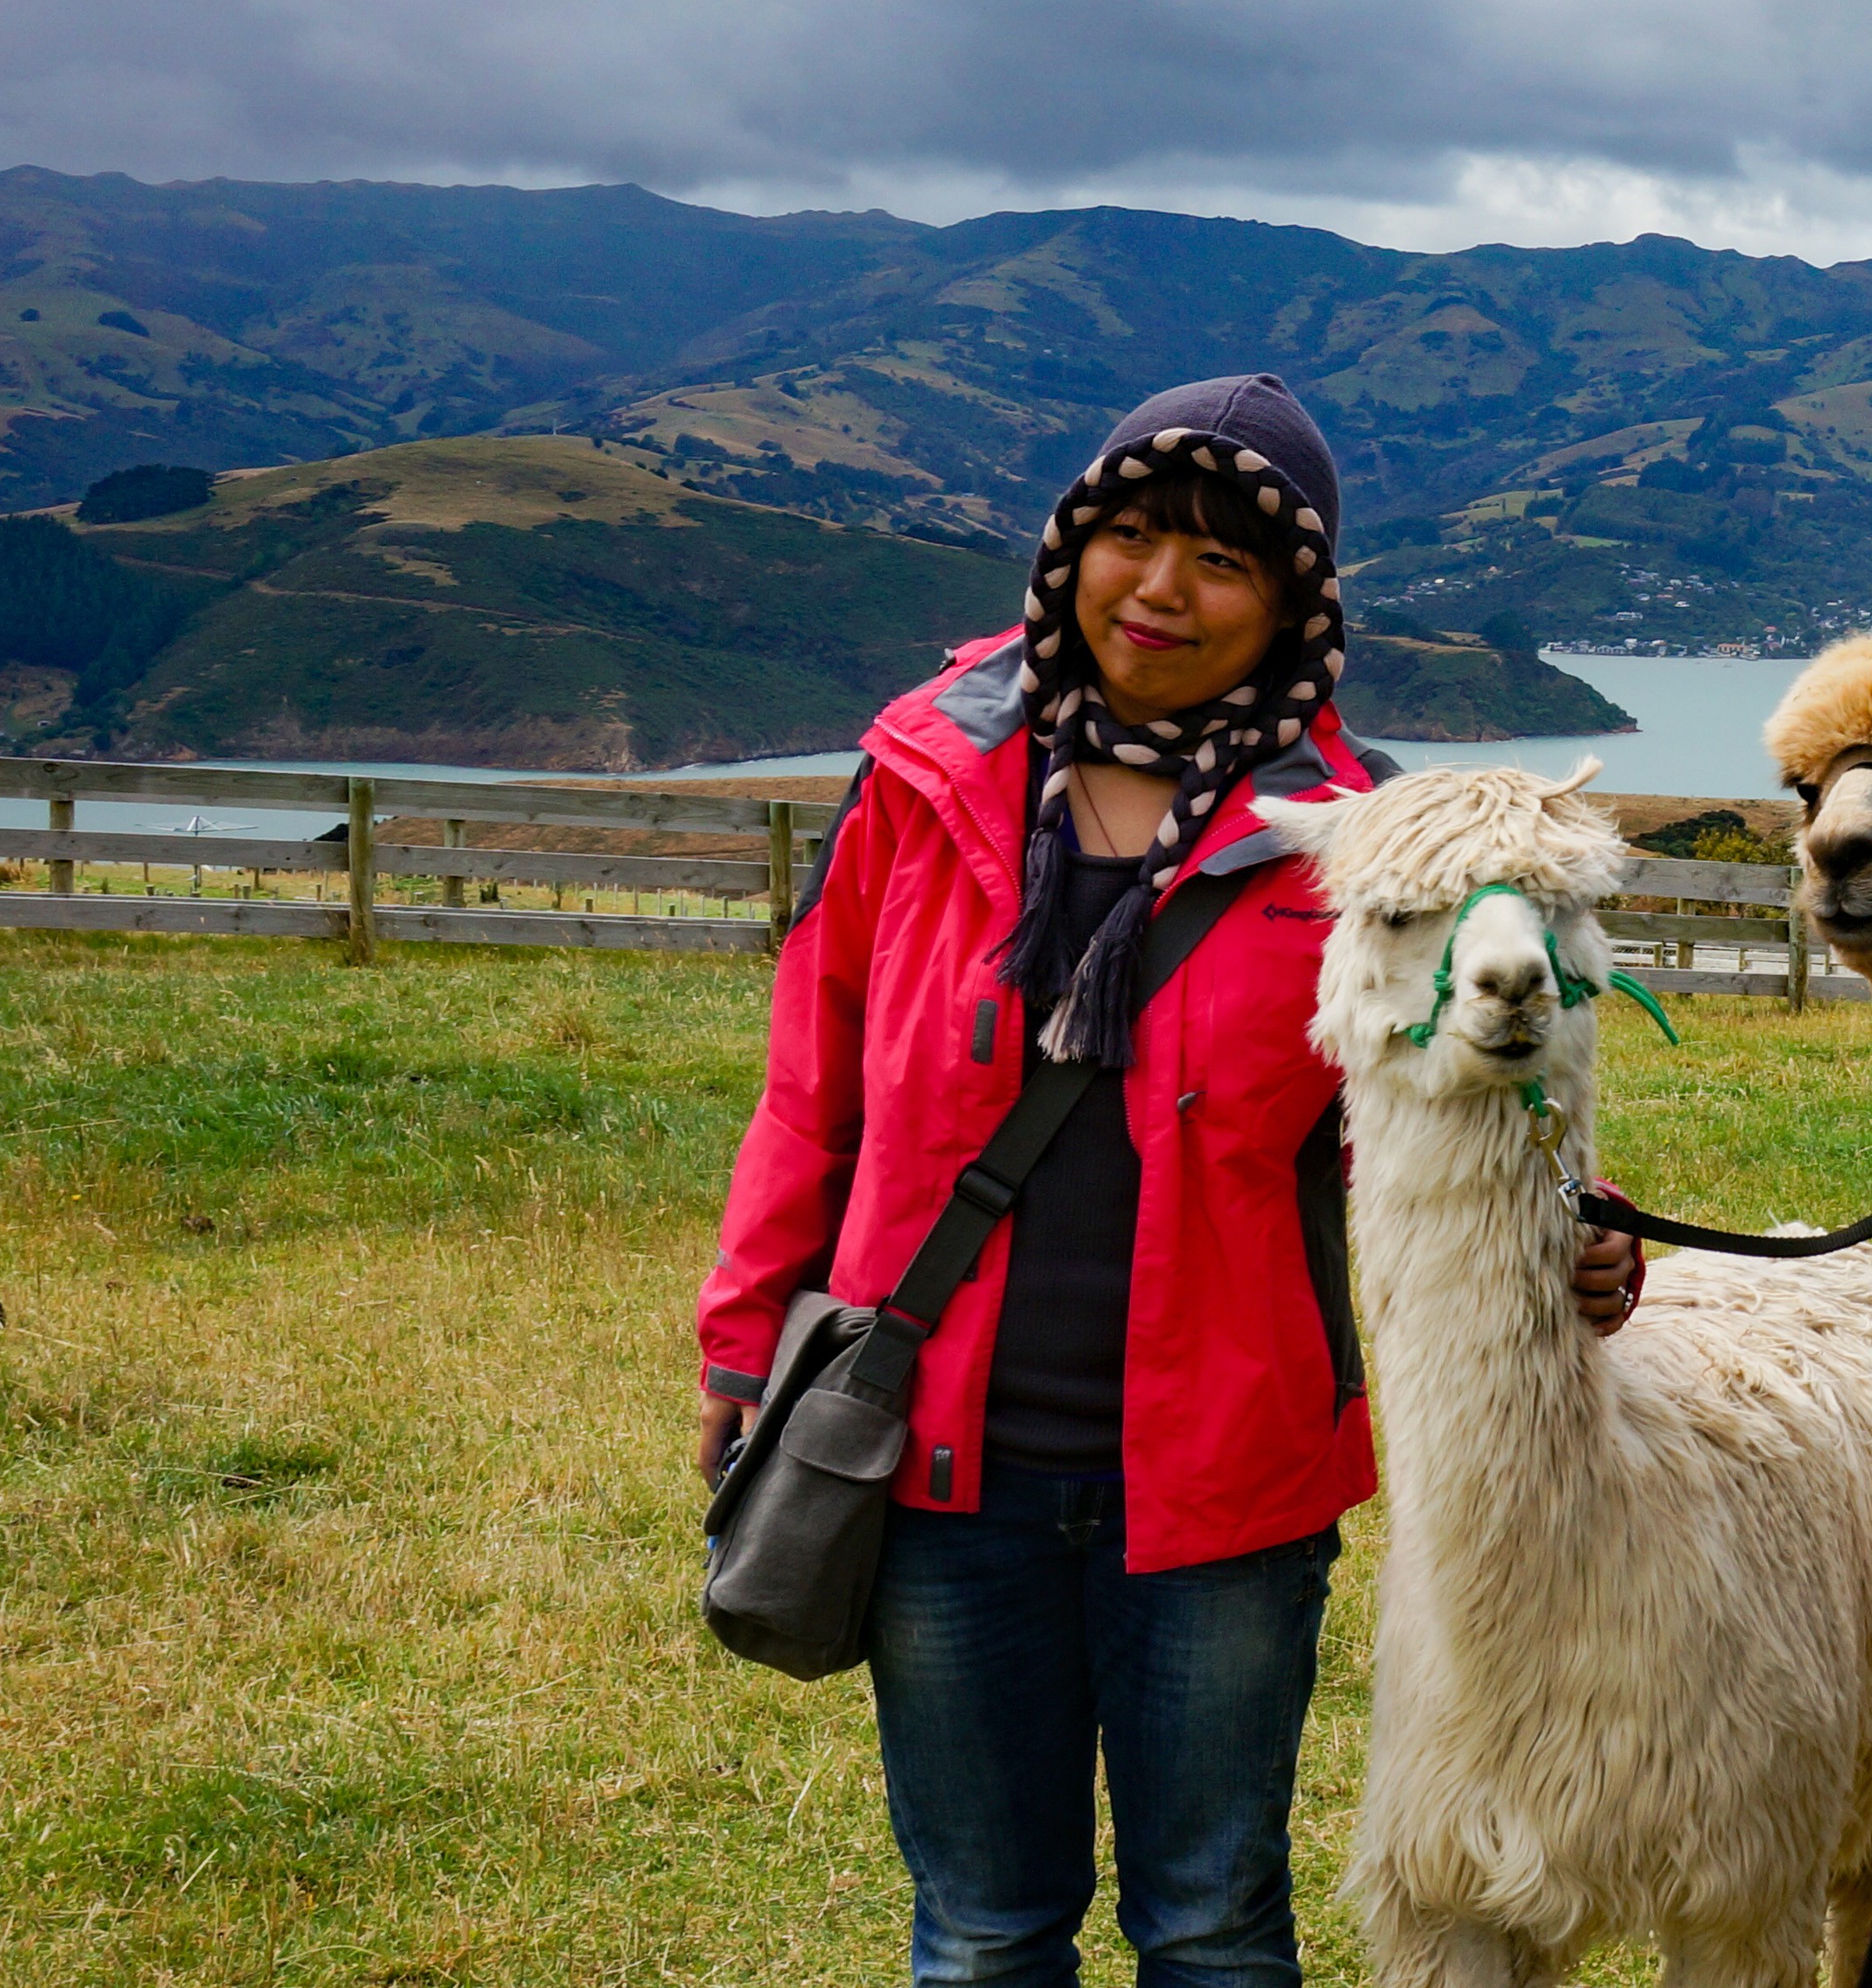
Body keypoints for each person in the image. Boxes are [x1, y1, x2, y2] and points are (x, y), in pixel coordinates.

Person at [693, 373, 1644, 1987]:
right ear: (1073, 546)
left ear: (1292, 605)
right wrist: (743, 1340)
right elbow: (817, 1085)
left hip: (1221, 1475)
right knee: (985, 1934)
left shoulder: (1363, 847)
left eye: (1221, 560)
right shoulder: (927, 780)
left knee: (1211, 1926)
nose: (1161, 589)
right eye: (1131, 535)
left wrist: (1572, 1232)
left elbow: (1431, 1115)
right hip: (934, 1456)